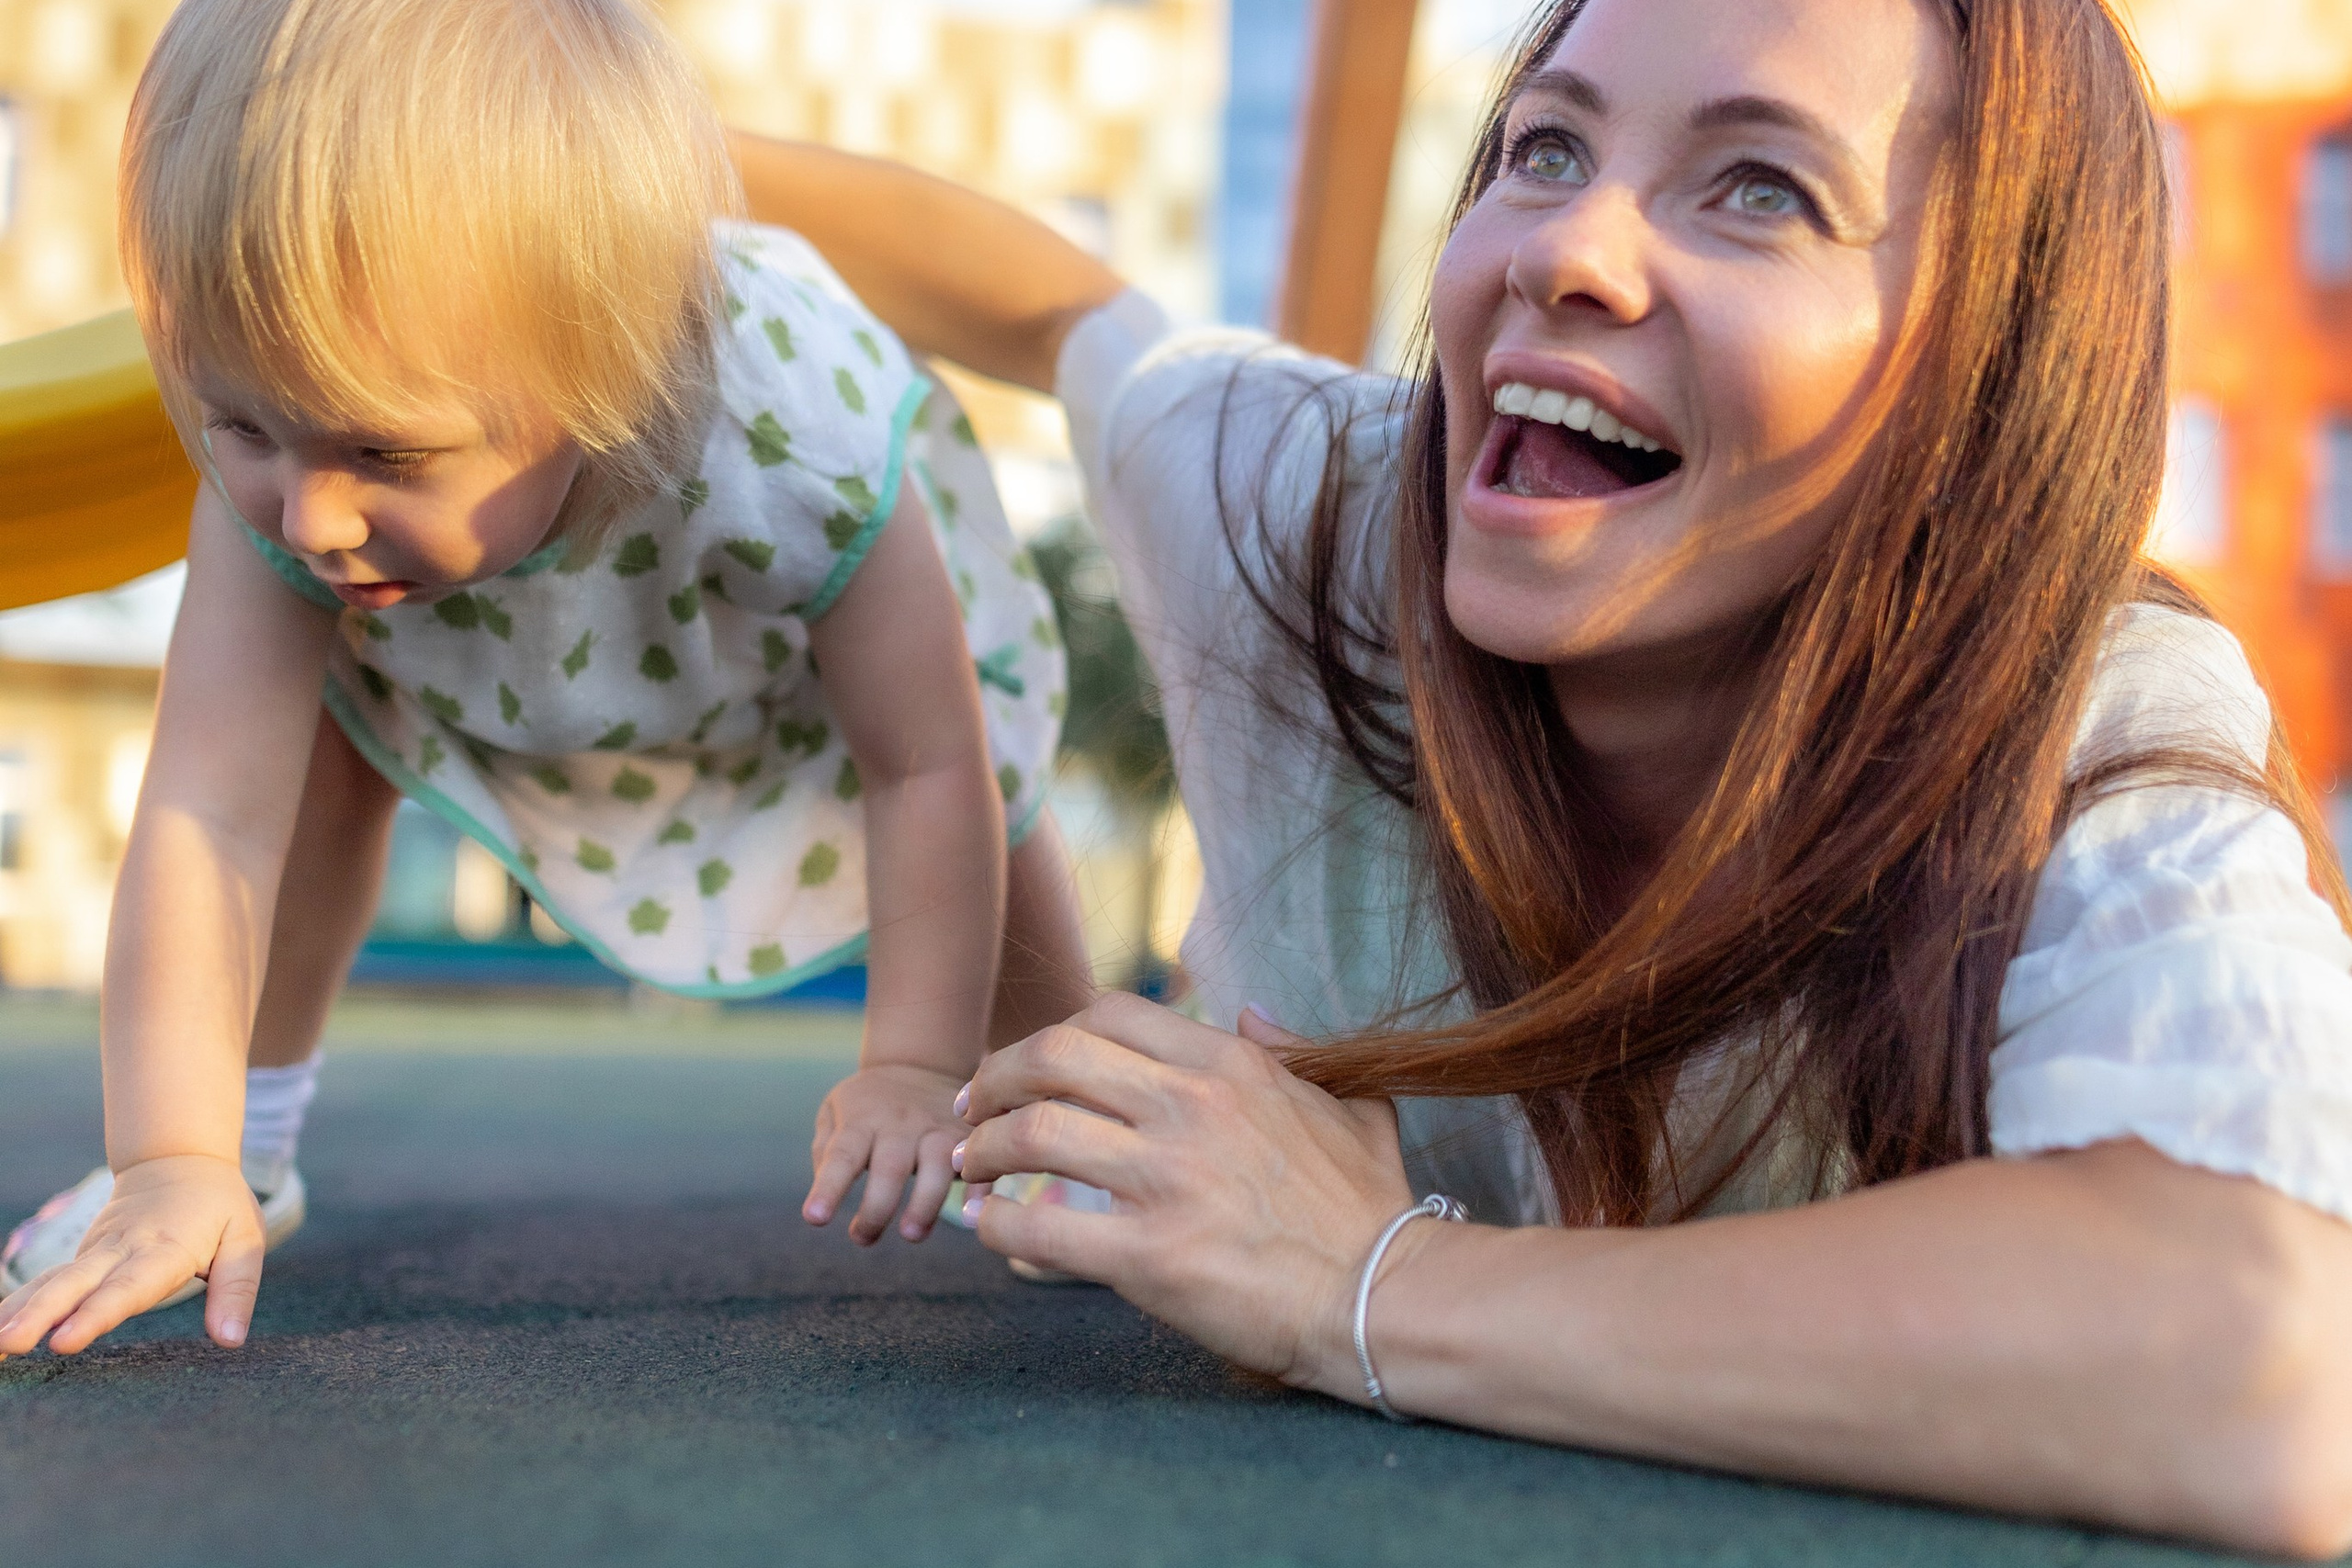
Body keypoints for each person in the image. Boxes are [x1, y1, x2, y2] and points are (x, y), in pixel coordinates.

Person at [735, 0, 2352, 1552]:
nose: (1564, 249)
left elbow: (2269, 1370)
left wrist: (1357, 1284)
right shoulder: (1303, 507)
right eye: (1544, 147)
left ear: (1985, 385)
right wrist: (601, 171)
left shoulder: (2091, 723)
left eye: (1764, 188)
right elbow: (1060, 309)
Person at [0, 0, 1093, 1352]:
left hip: (788, 661)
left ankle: (1076, 1118)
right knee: (329, 764)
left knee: (1003, 790)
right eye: (243, 425)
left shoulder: (794, 436)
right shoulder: (296, 477)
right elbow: (207, 813)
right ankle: (243, 1144)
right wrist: (170, 1151)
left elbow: (925, 764)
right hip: (485, 648)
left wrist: (913, 1068)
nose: (309, 516)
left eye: (385, 455)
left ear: (605, 371)